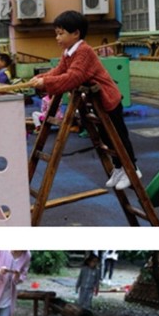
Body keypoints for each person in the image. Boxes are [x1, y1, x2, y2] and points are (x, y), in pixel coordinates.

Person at [28, 10, 142, 192]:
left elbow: (74, 77)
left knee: (118, 137)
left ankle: (132, 169)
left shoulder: (84, 52)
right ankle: (119, 169)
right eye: (56, 33)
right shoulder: (68, 52)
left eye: (60, 33)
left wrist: (46, 82)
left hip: (108, 98)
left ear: (76, 33)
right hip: (97, 101)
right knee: (106, 137)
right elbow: (58, 71)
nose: (57, 38)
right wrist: (41, 78)